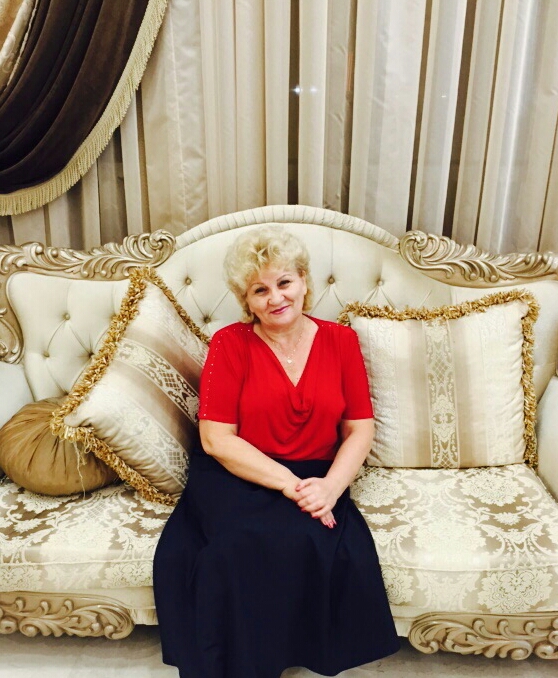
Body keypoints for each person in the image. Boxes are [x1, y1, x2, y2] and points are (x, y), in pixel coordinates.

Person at [153, 226, 400, 678]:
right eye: (259, 290)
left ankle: (277, 657)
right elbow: (216, 439)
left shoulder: (341, 341)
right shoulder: (230, 343)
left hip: (318, 472)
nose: (275, 298)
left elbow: (359, 429)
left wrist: (330, 488)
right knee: (233, 548)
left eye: (284, 282)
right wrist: (290, 485)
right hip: (237, 470)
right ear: (246, 300)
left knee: (308, 542)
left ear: (304, 281)